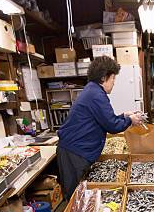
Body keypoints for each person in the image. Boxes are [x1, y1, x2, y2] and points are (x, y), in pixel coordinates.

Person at [57, 56, 142, 199]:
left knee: (79, 196)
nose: (114, 83)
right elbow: (112, 126)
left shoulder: (93, 91)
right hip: (74, 153)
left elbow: (105, 119)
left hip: (76, 150)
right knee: (75, 199)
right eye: (113, 78)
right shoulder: (96, 94)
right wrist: (130, 120)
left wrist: (124, 116)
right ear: (104, 78)